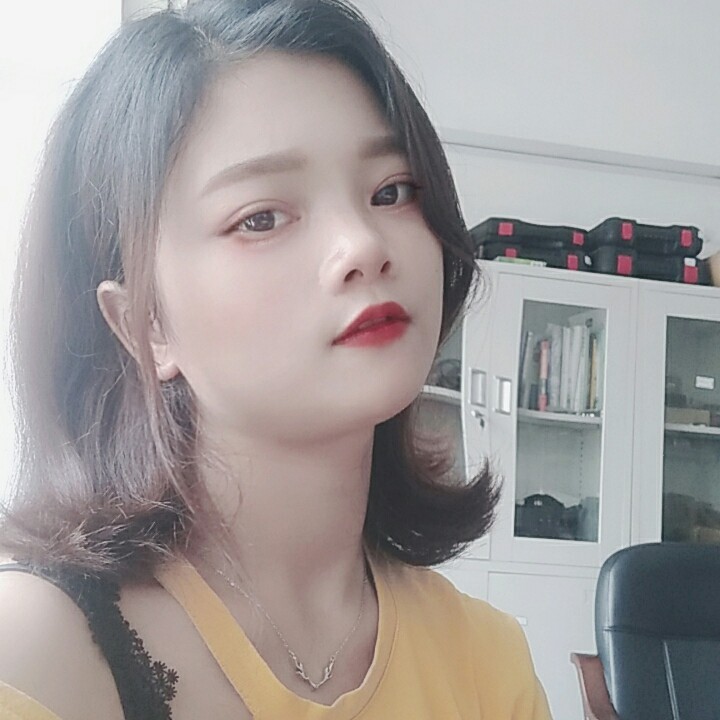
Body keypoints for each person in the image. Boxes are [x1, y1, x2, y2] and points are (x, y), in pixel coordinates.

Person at [0, 1, 552, 718]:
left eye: (391, 192)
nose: (363, 245)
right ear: (145, 324)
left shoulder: (487, 660)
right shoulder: (37, 654)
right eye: (261, 218)